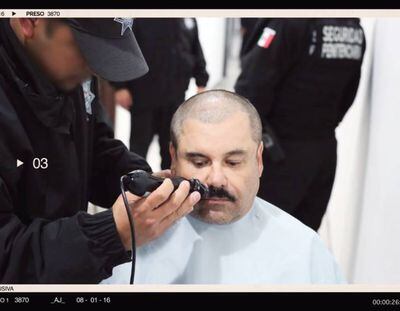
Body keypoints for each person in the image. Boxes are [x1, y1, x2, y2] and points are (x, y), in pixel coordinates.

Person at [0, 18, 201, 283]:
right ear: (30, 20)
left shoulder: (65, 72)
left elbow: (93, 146)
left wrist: (141, 181)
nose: (95, 69)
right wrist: (111, 233)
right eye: (87, 51)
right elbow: (7, 259)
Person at [102, 90, 345, 284]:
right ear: (173, 159)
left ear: (259, 160)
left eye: (233, 162)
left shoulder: (303, 250)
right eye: (199, 162)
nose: (216, 179)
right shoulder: (131, 238)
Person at [234, 18, 366, 231]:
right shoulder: (354, 28)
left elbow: (250, 90)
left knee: (261, 236)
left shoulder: (289, 21)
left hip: (278, 153)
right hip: (322, 152)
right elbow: (348, 94)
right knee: (303, 237)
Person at [113, 18, 209, 170]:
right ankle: (135, 185)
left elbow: (195, 48)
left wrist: (201, 80)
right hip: (144, 96)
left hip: (175, 97)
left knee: (171, 149)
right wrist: (120, 86)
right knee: (138, 149)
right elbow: (123, 49)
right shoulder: (140, 17)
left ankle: (170, 187)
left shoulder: (187, 17)